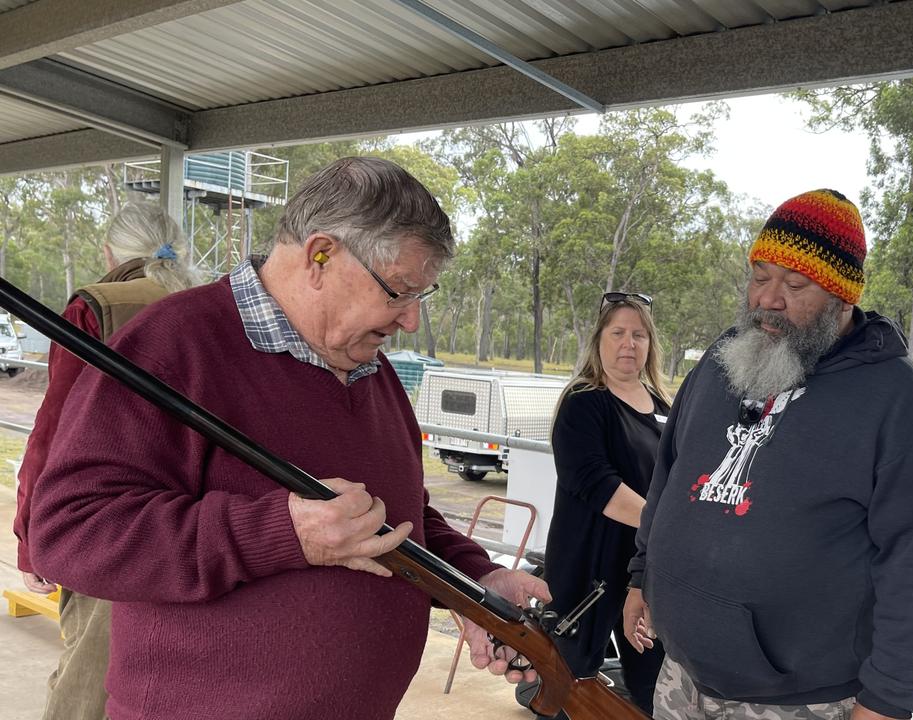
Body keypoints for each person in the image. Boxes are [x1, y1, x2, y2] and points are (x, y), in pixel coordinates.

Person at [27, 157, 548, 720]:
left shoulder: (374, 371)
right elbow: (69, 532)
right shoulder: (173, 344)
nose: (411, 320)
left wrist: (475, 582)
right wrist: (280, 533)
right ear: (320, 254)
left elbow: (397, 516)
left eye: (422, 295)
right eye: (398, 291)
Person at [623, 189, 913, 720]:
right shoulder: (720, 360)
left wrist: (888, 700)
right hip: (683, 674)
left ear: (842, 296)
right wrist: (642, 575)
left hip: (804, 700)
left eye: (795, 284)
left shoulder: (896, 398)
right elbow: (668, 478)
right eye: (760, 276)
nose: (768, 299)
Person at [14, 201, 200, 720]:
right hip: (201, 526)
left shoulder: (98, 306)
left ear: (108, 251)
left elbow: (56, 431)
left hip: (111, 526)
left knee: (86, 685)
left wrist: (33, 537)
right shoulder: (212, 302)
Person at [541, 290, 671, 715]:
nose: (628, 344)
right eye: (617, 333)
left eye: (638, 335)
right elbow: (596, 484)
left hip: (644, 575)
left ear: (650, 345)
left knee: (652, 686)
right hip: (589, 579)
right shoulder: (584, 403)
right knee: (568, 685)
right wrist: (667, 527)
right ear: (599, 341)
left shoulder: (665, 408)